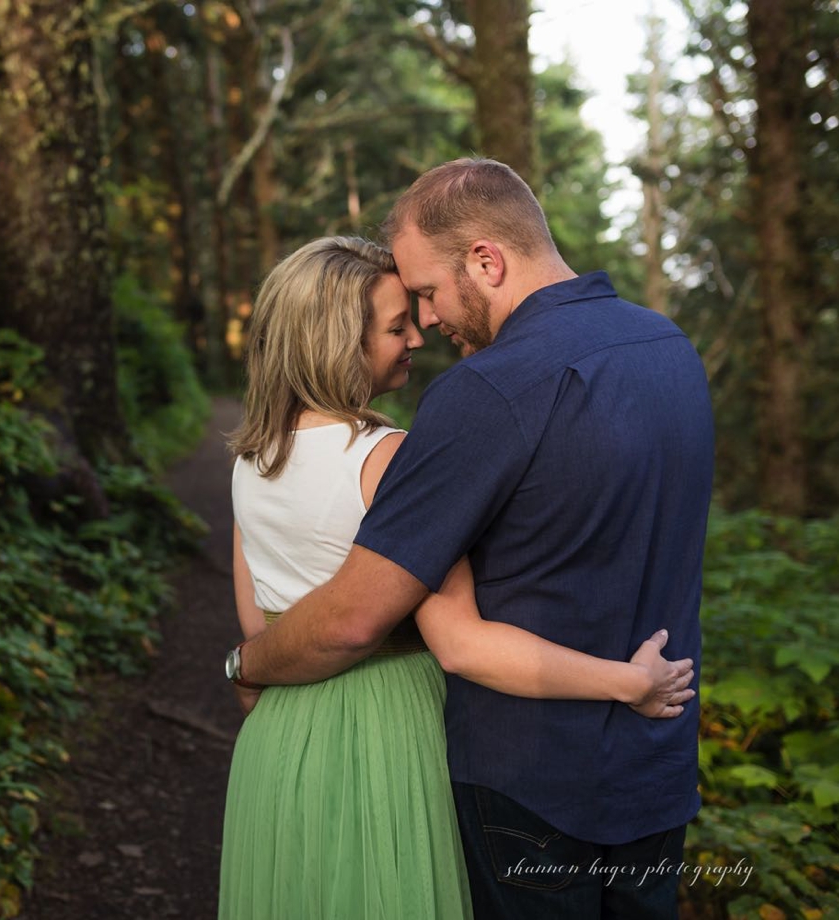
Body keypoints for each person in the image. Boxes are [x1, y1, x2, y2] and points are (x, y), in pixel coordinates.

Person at [231, 161, 713, 920]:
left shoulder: (487, 389)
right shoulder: (669, 348)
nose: (426, 323)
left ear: (486, 261)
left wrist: (247, 662)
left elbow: (360, 616)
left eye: (426, 293)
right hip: (656, 765)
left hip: (527, 778)